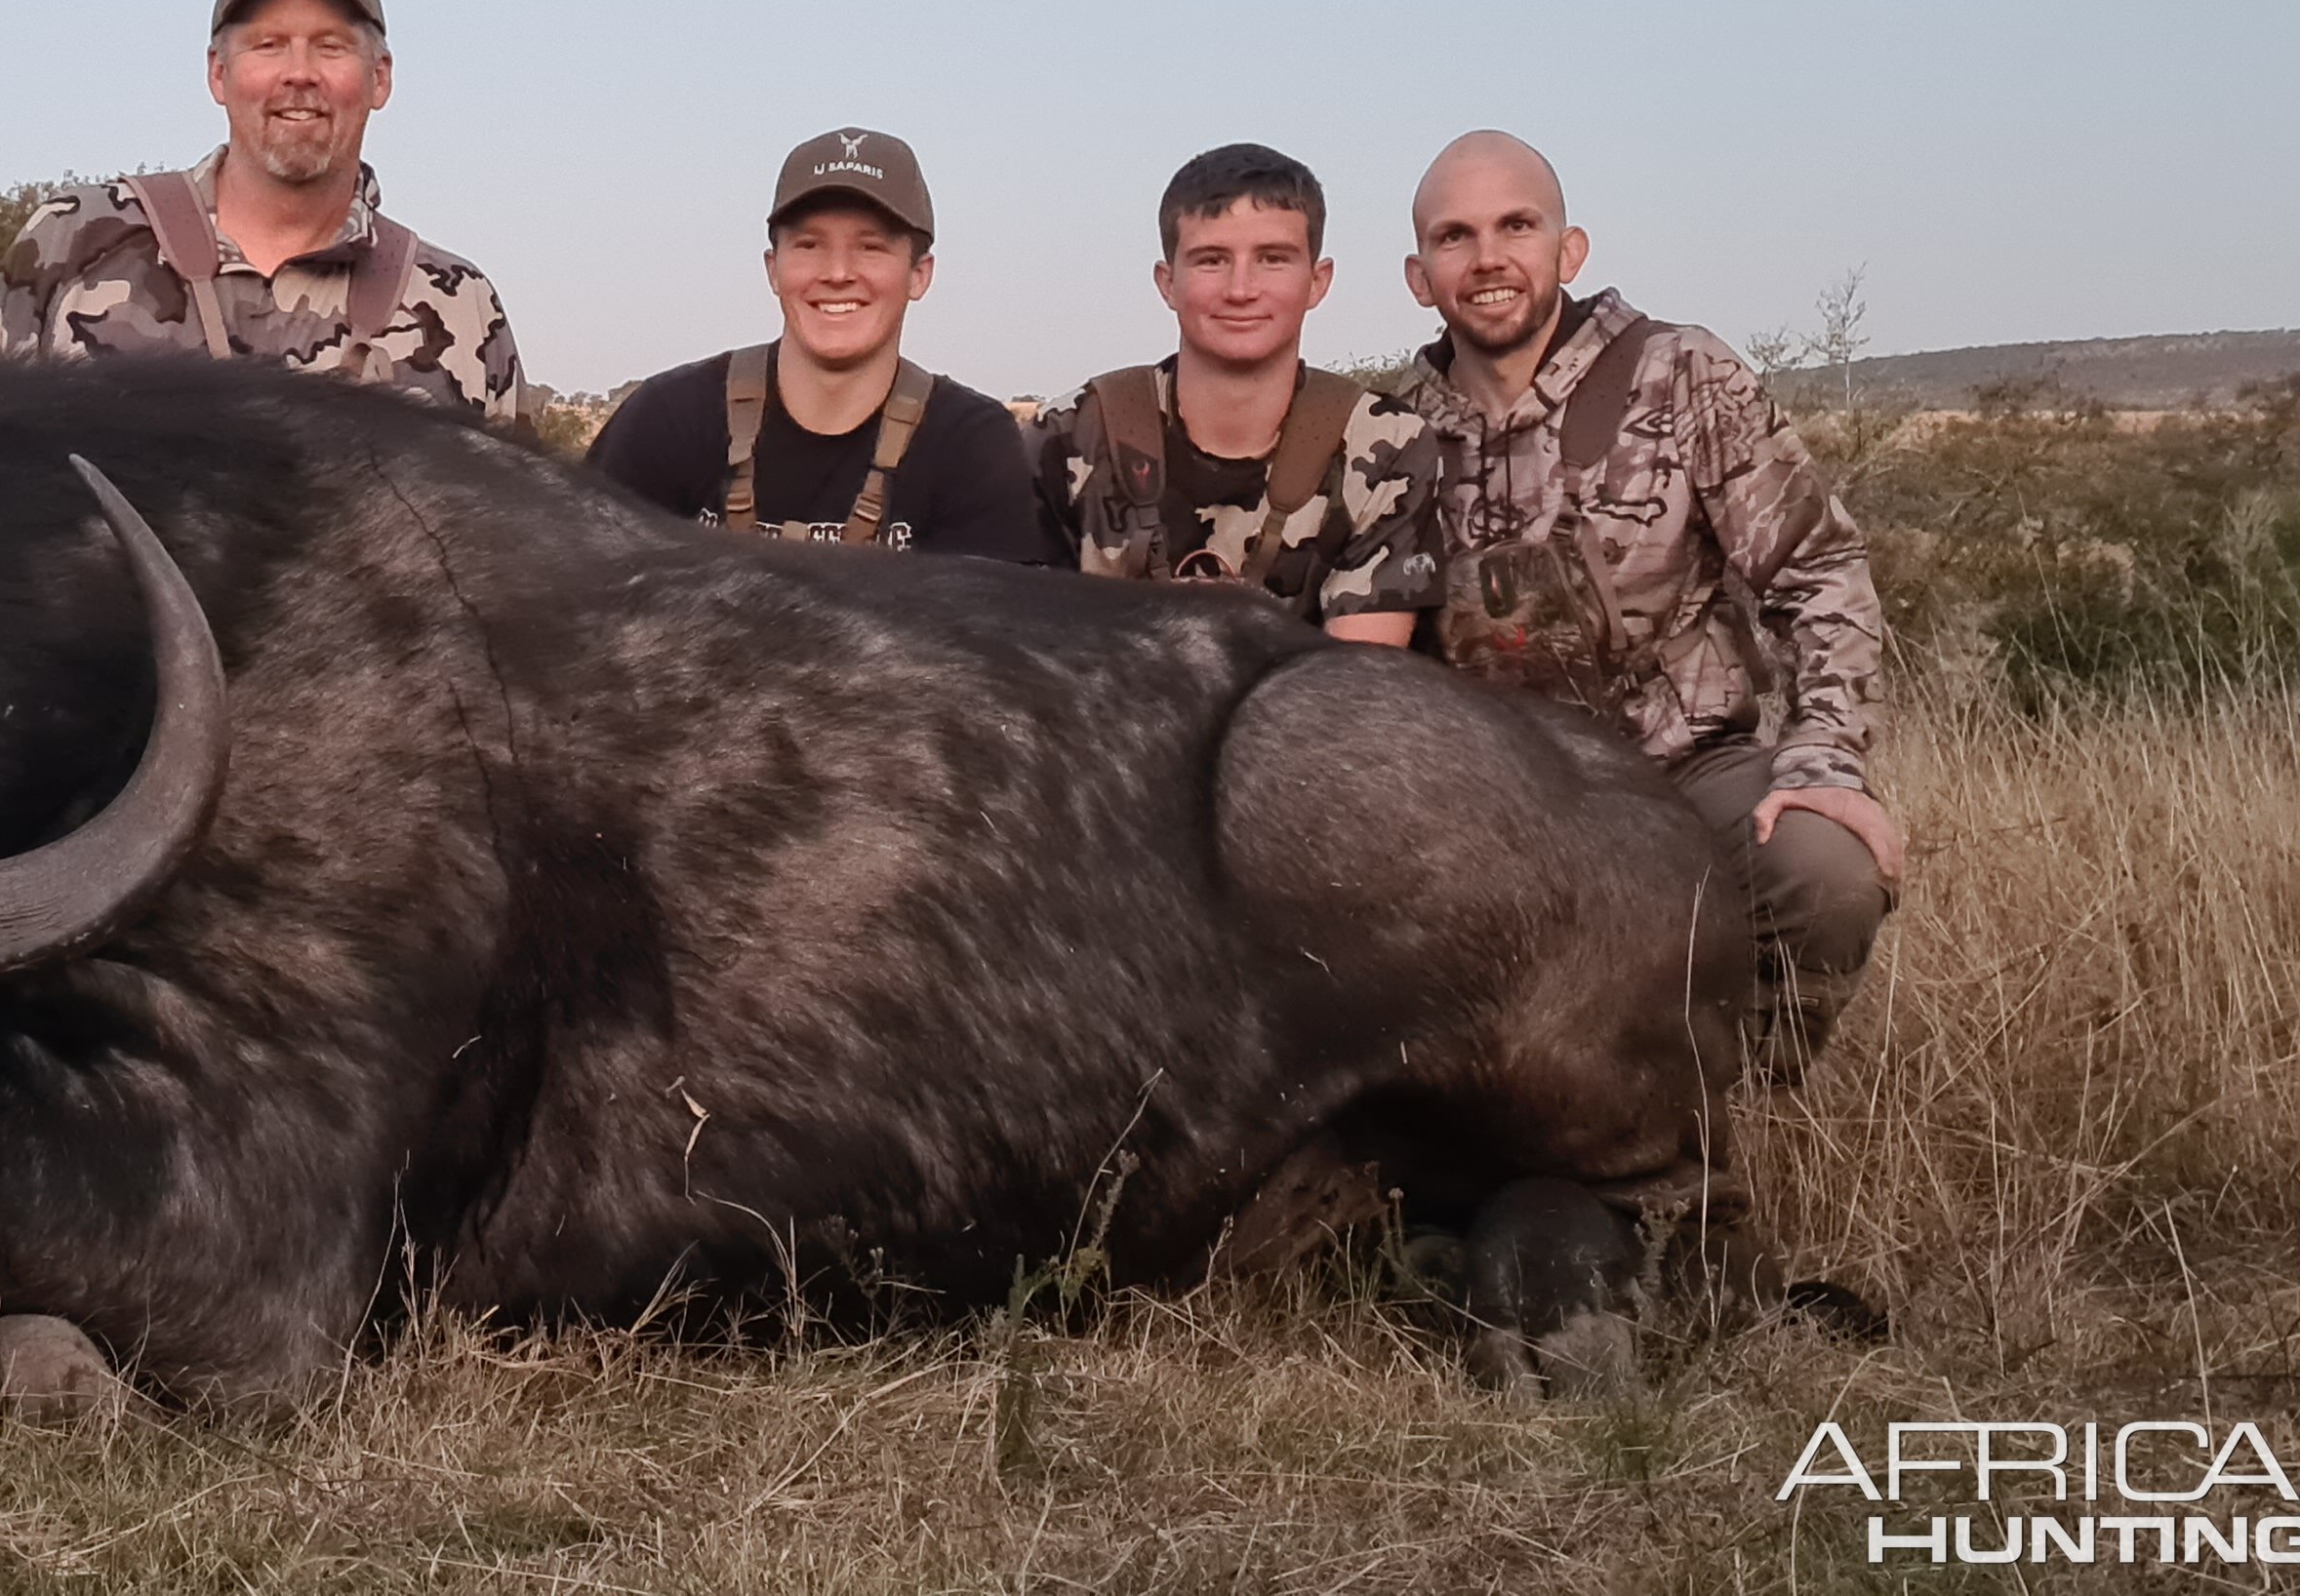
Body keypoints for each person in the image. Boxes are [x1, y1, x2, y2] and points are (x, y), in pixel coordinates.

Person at [1399, 129, 1897, 1083]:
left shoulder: (1680, 374)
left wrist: (1828, 760)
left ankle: (1722, 1104)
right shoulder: (1393, 435)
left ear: (1569, 248)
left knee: (1823, 871)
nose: (1488, 257)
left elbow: (1819, 571)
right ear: (1420, 275)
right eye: (1454, 237)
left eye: (1517, 225)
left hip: (1686, 767)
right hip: (1496, 809)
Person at [0, 0, 524, 425]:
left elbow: (528, 536)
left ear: (379, 78)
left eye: (330, 46)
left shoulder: (458, 305)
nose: (299, 73)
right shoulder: (75, 241)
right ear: (219, 75)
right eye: (267, 45)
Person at [584, 129, 1050, 563]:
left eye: (871, 247)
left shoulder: (971, 445)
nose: (838, 272)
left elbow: (990, 639)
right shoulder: (666, 419)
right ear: (773, 268)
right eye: (809, 246)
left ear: (919, 274)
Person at [1035, 143, 1440, 640]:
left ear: (1318, 281)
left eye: (1273, 259)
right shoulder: (1063, 436)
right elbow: (1024, 658)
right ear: (1167, 282)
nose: (1241, 289)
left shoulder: (1386, 448)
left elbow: (1359, 684)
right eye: (1211, 260)